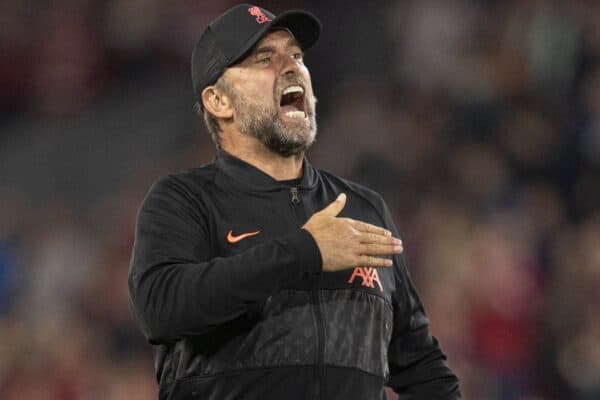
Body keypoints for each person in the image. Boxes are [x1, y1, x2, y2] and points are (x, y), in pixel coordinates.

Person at [128, 4, 461, 399]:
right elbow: (162, 310)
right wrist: (304, 251)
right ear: (219, 101)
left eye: (296, 55)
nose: (291, 67)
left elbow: (420, 366)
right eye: (264, 58)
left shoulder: (363, 208)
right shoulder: (185, 201)